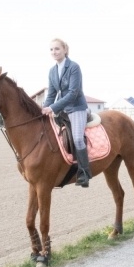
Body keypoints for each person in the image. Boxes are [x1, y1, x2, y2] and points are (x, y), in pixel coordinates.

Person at [41, 38, 91, 188]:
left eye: (57, 49)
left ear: (65, 50)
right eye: (51, 49)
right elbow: (51, 94)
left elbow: (73, 93)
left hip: (76, 108)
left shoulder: (74, 67)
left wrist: (53, 108)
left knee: (77, 138)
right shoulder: (52, 71)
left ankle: (84, 173)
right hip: (62, 109)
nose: (54, 52)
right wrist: (44, 108)